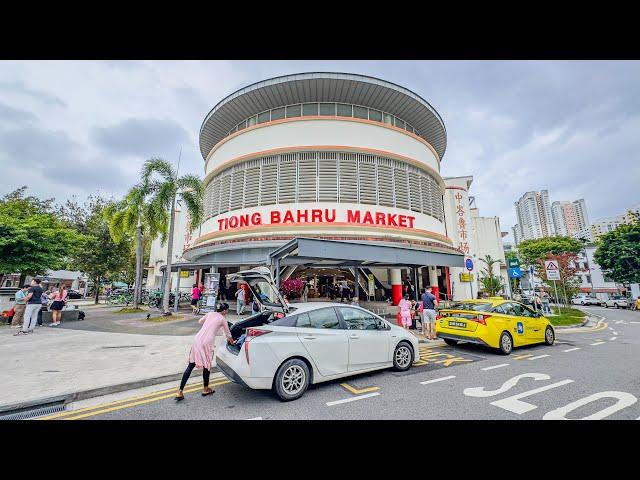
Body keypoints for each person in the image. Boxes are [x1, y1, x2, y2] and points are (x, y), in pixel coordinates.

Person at [176, 303, 235, 401]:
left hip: (197, 339)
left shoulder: (210, 313)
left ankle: (180, 391)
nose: (227, 312)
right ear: (224, 311)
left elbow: (200, 321)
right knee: (207, 365)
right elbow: (228, 334)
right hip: (207, 342)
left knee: (191, 365)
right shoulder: (222, 319)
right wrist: (232, 341)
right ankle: (205, 388)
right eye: (227, 310)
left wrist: (210, 324)